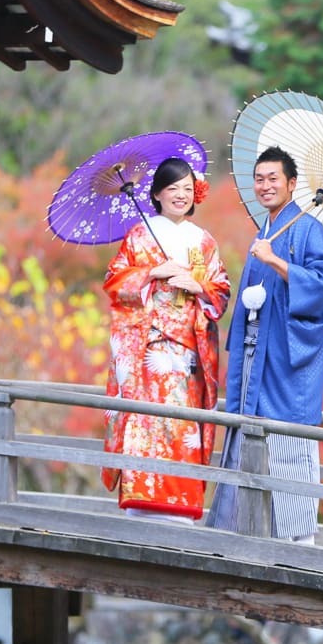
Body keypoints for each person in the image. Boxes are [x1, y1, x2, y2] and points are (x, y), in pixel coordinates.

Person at [206, 145, 323, 542]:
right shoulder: (266, 231)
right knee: (246, 436)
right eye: (259, 179)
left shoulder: (310, 229)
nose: (264, 186)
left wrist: (278, 262)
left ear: (292, 184)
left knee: (287, 440)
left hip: (285, 362)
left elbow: (321, 289)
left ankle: (298, 540)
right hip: (253, 359)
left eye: (273, 178)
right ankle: (241, 531)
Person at [101, 156, 231, 522]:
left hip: (188, 351)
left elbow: (220, 292)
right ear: (156, 194)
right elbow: (114, 282)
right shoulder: (139, 235)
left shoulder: (204, 241)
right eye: (172, 188)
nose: (181, 195)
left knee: (182, 426)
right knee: (147, 421)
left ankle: (182, 506)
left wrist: (198, 286)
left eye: (188, 189)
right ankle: (142, 505)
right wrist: (152, 272)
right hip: (149, 348)